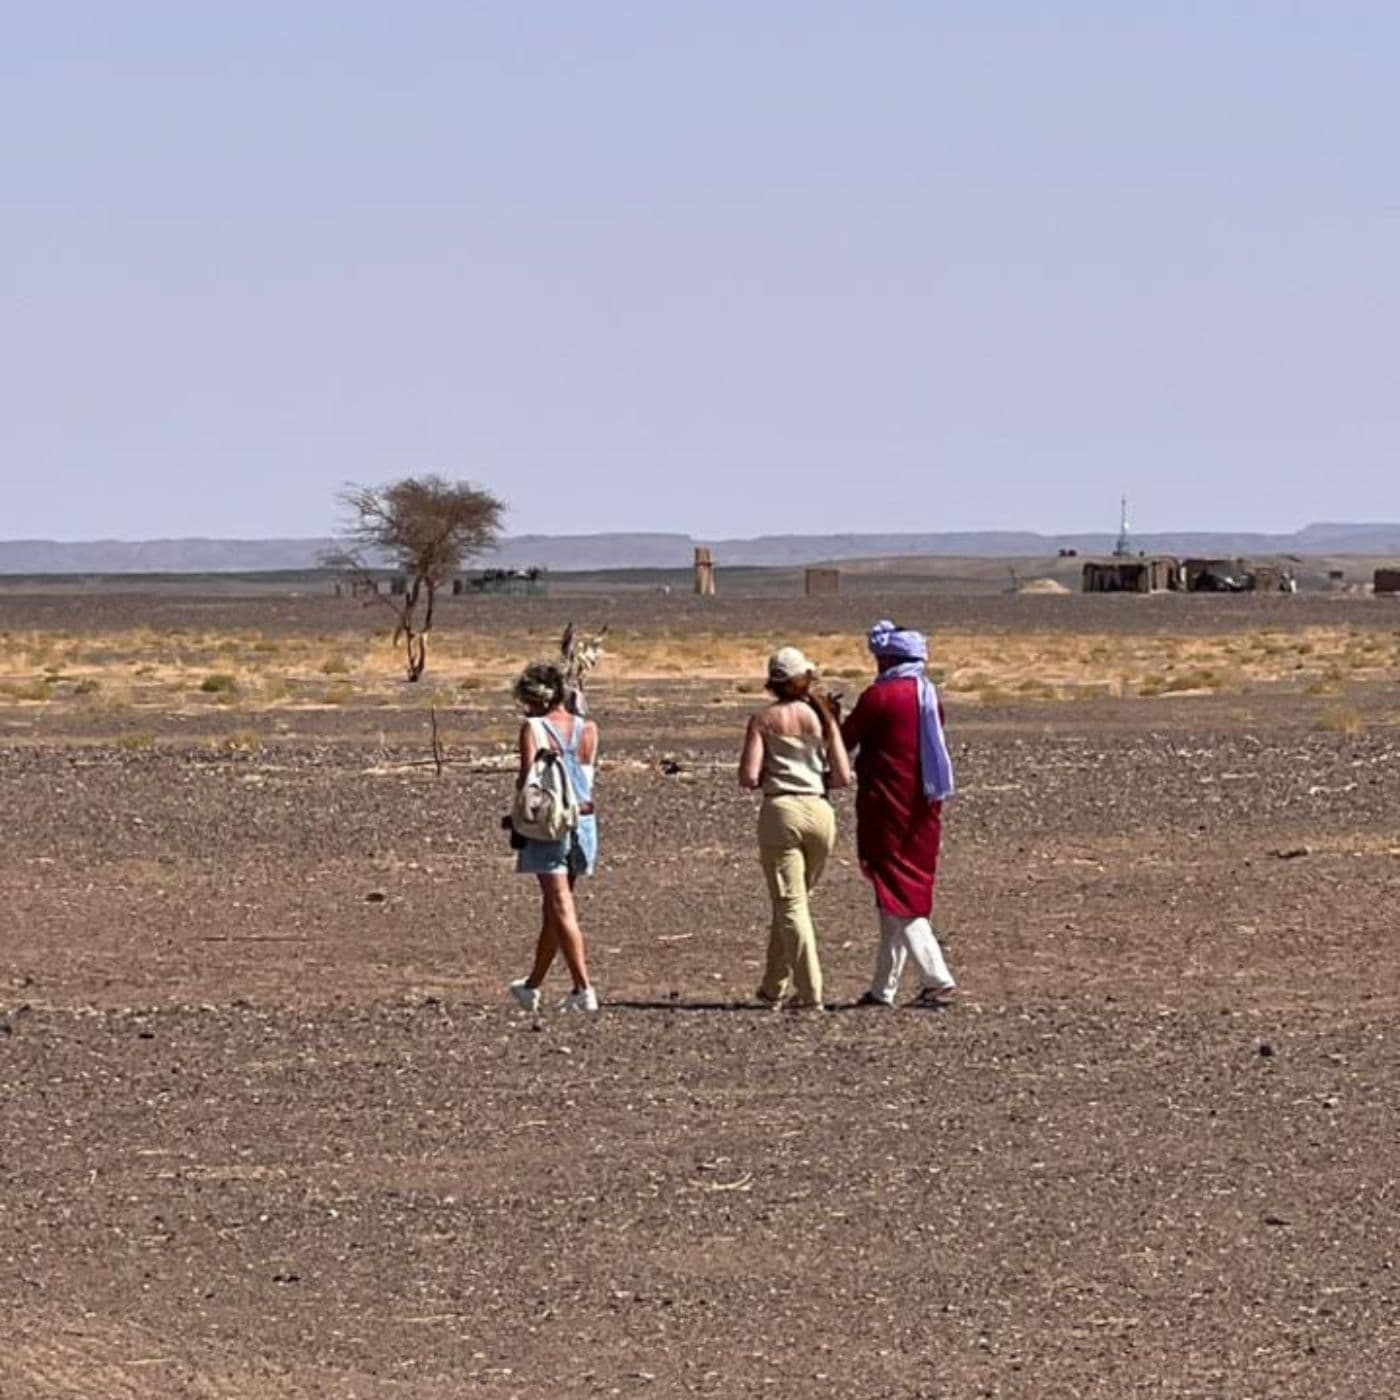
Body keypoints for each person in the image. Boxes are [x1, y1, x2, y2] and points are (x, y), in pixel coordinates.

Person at [841, 620, 957, 1008]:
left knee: (897, 889)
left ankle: (937, 978)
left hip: (887, 808)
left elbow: (845, 740)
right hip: (923, 807)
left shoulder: (880, 697)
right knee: (895, 892)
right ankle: (883, 988)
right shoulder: (928, 696)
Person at [738, 646, 852, 1010]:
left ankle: (810, 991)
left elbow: (748, 776)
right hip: (820, 811)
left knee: (790, 904)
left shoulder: (764, 720)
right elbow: (843, 776)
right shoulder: (823, 717)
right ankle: (774, 986)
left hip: (782, 810)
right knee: (793, 902)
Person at [508, 660, 600, 1013]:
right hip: (585, 822)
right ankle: (532, 985)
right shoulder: (587, 729)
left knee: (560, 904)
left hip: (549, 825)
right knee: (555, 908)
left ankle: (583, 988)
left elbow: (527, 780)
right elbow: (586, 776)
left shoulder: (533, 729)